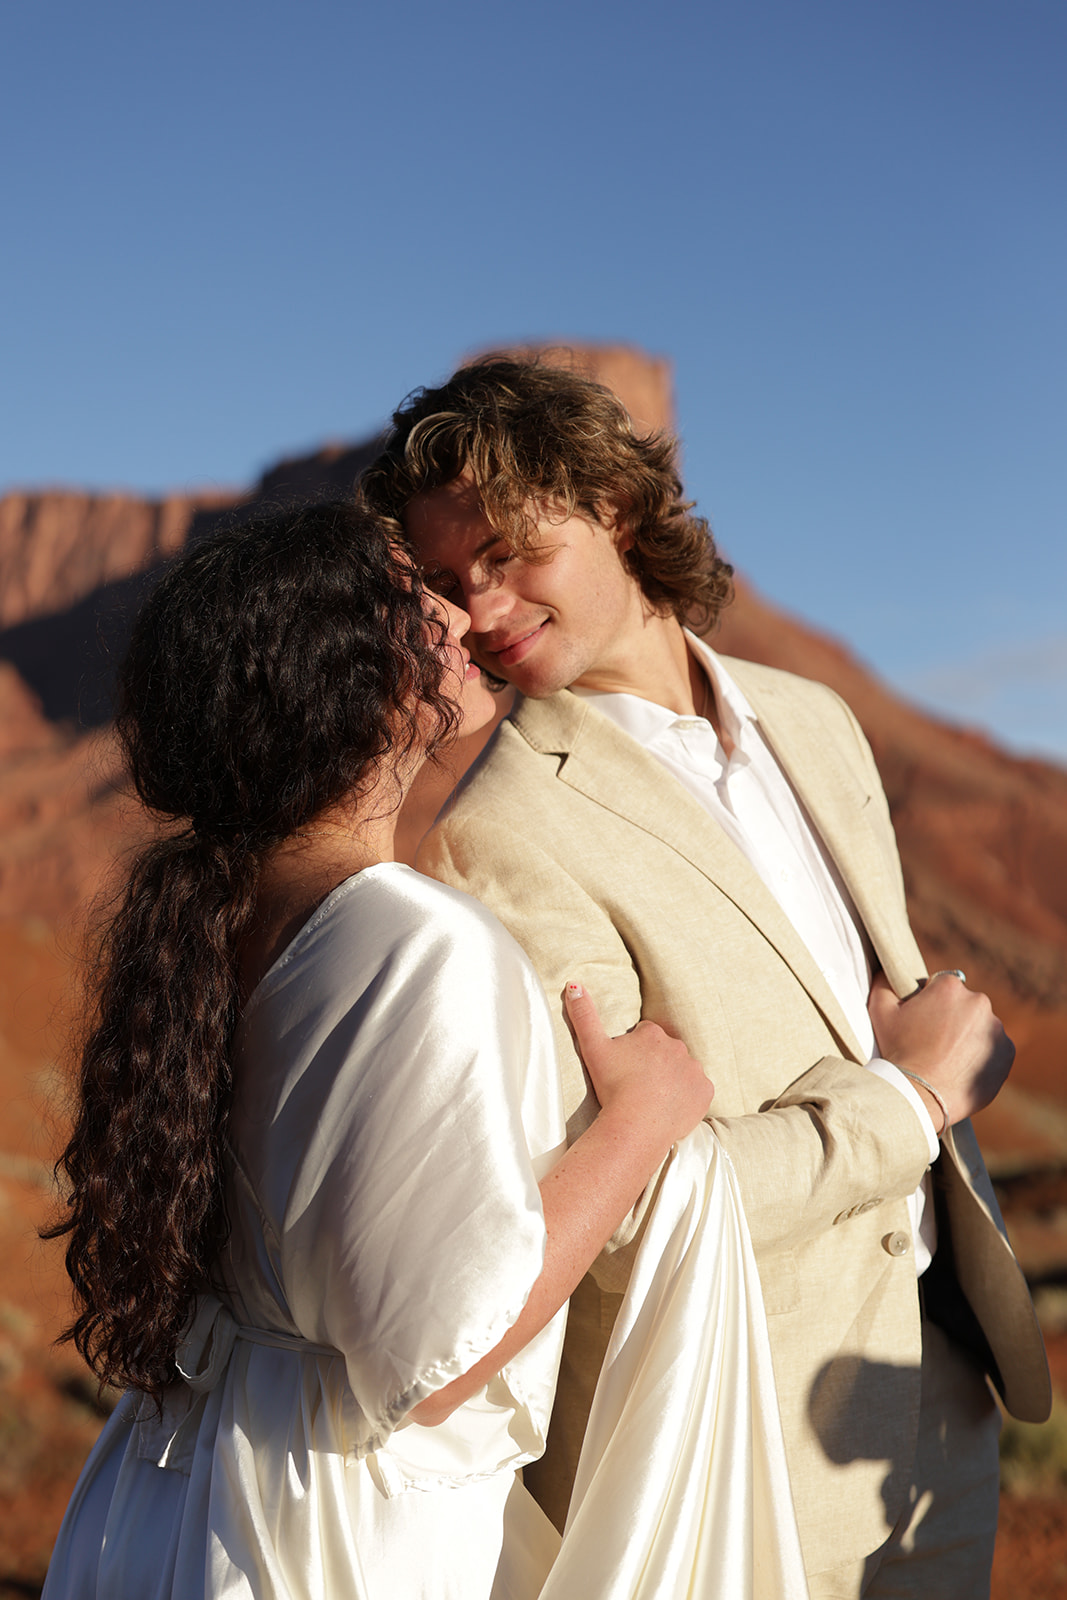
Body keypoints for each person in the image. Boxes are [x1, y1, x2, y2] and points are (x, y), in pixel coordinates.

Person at [360, 356, 1053, 1600]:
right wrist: (911, 1099)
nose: (480, 607)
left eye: (511, 551)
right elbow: (627, 1210)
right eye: (451, 581)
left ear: (617, 507)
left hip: (934, 1394)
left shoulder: (814, 720)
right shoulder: (500, 837)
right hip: (740, 1465)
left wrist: (902, 1047)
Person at [40, 501, 807, 1600]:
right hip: (330, 1536)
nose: (457, 618)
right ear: (345, 675)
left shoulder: (219, 917)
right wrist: (643, 1120)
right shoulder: (416, 940)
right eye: (414, 601)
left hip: (154, 1504)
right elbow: (442, 1355)